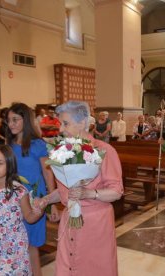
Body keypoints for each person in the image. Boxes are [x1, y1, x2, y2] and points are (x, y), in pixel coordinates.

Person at [37, 101, 123, 275]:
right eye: (60, 123)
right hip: (69, 218)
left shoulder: (104, 150)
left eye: (65, 123)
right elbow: (64, 191)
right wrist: (46, 199)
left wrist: (89, 193)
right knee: (67, 267)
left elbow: (116, 191)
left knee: (94, 268)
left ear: (83, 122)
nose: (60, 129)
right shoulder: (62, 152)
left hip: (95, 223)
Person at [0, 145, 44, 275]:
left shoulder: (18, 191)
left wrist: (39, 211)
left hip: (13, 242)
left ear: (10, 165)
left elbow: (29, 217)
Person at [5, 102, 58, 276]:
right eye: (9, 120)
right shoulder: (9, 144)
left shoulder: (37, 144)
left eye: (15, 120)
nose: (11, 124)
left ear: (25, 120)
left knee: (30, 245)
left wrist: (52, 203)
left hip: (34, 198)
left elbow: (48, 173)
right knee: (14, 242)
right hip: (13, 199)